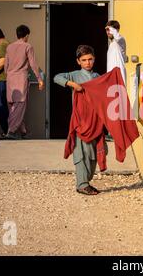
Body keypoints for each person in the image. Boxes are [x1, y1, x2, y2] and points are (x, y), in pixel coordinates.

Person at [54, 45, 101, 195]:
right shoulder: (74, 75)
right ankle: (82, 184)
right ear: (78, 61)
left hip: (95, 120)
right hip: (81, 121)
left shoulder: (98, 77)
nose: (87, 63)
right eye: (84, 60)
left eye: (90, 59)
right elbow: (56, 78)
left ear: (94, 59)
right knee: (82, 152)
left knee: (94, 154)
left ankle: (86, 181)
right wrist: (72, 84)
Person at [3, 25, 44, 140]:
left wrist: (9, 74)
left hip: (10, 80)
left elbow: (6, 65)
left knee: (13, 107)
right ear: (26, 35)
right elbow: (33, 64)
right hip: (21, 79)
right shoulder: (27, 46)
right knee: (20, 106)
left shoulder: (9, 47)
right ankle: (10, 131)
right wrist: (39, 79)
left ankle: (24, 132)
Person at [105, 20, 127, 86]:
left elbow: (117, 37)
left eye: (110, 30)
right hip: (111, 77)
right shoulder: (111, 44)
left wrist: (110, 28)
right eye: (107, 30)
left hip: (119, 77)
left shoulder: (120, 41)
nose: (108, 32)